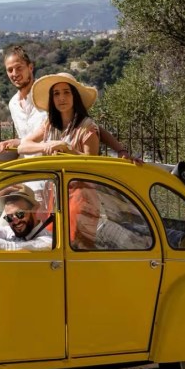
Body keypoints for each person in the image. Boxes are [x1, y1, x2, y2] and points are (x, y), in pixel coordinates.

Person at [17, 73, 113, 248]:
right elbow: (22, 146)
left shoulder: (87, 127)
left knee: (76, 248)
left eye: (66, 92)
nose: (61, 98)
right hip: (55, 195)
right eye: (56, 93)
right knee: (54, 245)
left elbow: (92, 166)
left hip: (81, 198)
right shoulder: (50, 125)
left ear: (74, 95)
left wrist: (68, 150)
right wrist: (47, 146)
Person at [0, 45, 136, 160]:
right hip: (32, 170)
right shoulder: (13, 104)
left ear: (30, 67)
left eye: (19, 68)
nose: (15, 74)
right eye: (10, 70)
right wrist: (18, 142)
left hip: (54, 174)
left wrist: (120, 150)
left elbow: (90, 128)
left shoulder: (52, 99)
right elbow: (28, 140)